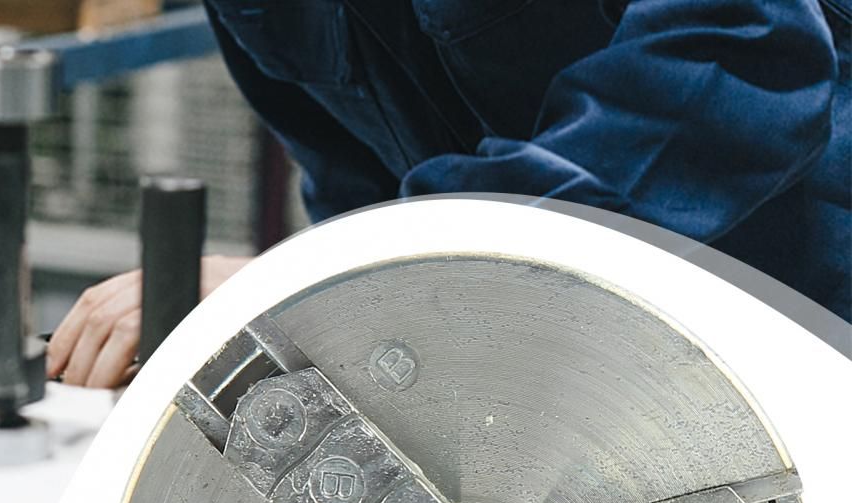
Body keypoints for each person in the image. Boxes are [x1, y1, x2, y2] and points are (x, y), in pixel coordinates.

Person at [48, 0, 850, 387]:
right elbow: (358, 183)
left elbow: (732, 61)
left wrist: (313, 287)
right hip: (556, 337)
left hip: (795, 304)